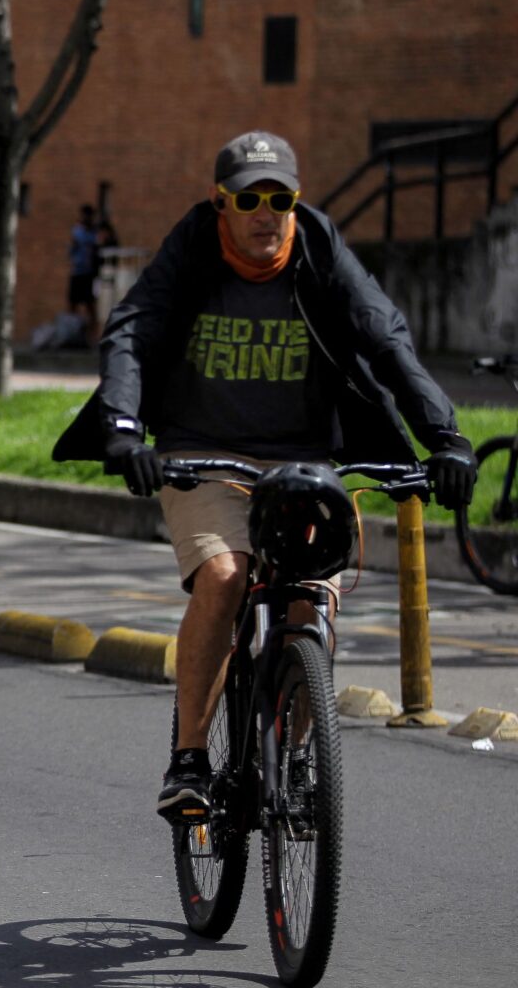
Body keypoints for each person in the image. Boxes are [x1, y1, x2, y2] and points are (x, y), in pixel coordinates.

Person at [52, 130, 476, 821]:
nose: (266, 213)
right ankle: (189, 759)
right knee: (225, 575)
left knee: (313, 597)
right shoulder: (193, 248)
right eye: (249, 198)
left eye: (280, 198)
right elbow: (132, 330)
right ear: (221, 203)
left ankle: (299, 755)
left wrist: (446, 440)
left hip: (304, 461)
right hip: (200, 454)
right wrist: (126, 430)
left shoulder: (317, 247)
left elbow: (385, 336)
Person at [65, 203, 100, 345]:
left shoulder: (93, 232)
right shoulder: (78, 231)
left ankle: (93, 337)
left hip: (89, 274)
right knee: (73, 304)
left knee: (90, 305)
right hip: (77, 272)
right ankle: (71, 333)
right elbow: (73, 249)